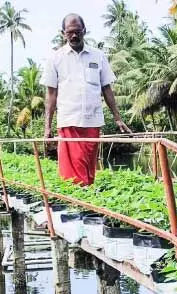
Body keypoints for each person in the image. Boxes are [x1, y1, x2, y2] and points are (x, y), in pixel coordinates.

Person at [41, 13, 131, 186]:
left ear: (84, 31)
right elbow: (51, 94)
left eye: (78, 31)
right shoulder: (55, 58)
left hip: (92, 119)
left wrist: (118, 118)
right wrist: (47, 127)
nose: (74, 35)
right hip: (69, 121)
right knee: (73, 171)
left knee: (89, 167)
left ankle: (85, 208)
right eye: (69, 32)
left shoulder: (98, 56)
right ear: (63, 33)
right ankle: (76, 208)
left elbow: (107, 88)